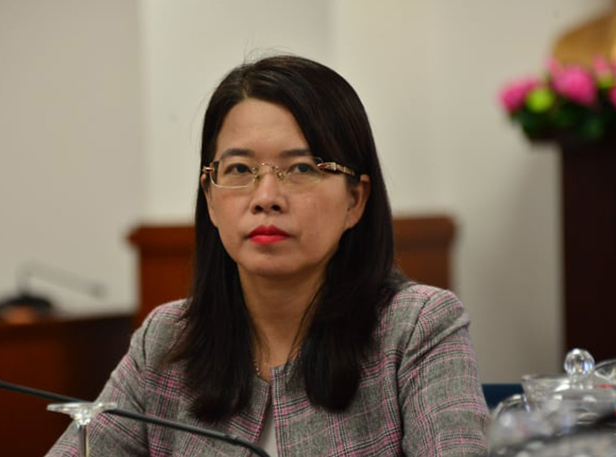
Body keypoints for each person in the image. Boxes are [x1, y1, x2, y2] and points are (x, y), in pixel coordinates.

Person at [46, 55, 489, 456]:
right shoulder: (166, 340)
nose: (266, 197)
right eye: (239, 169)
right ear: (210, 199)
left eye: (302, 168)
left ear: (354, 200)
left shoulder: (418, 328)